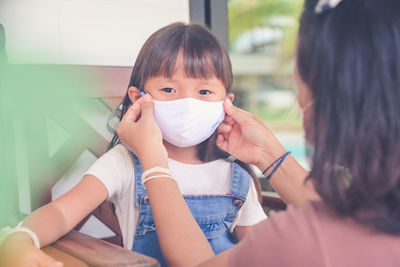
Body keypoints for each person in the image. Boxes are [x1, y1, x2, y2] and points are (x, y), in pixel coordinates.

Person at [0, 22, 316, 267]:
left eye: (204, 92)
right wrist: (20, 240)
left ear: (226, 103)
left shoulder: (236, 175)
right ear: (139, 99)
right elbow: (60, 213)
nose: (187, 103)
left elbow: (258, 251)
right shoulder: (124, 163)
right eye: (168, 89)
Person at [116, 0, 400, 266]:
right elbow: (344, 219)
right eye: (169, 89)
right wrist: (266, 154)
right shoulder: (370, 214)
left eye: (296, 71)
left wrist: (152, 161)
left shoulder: (297, 237)